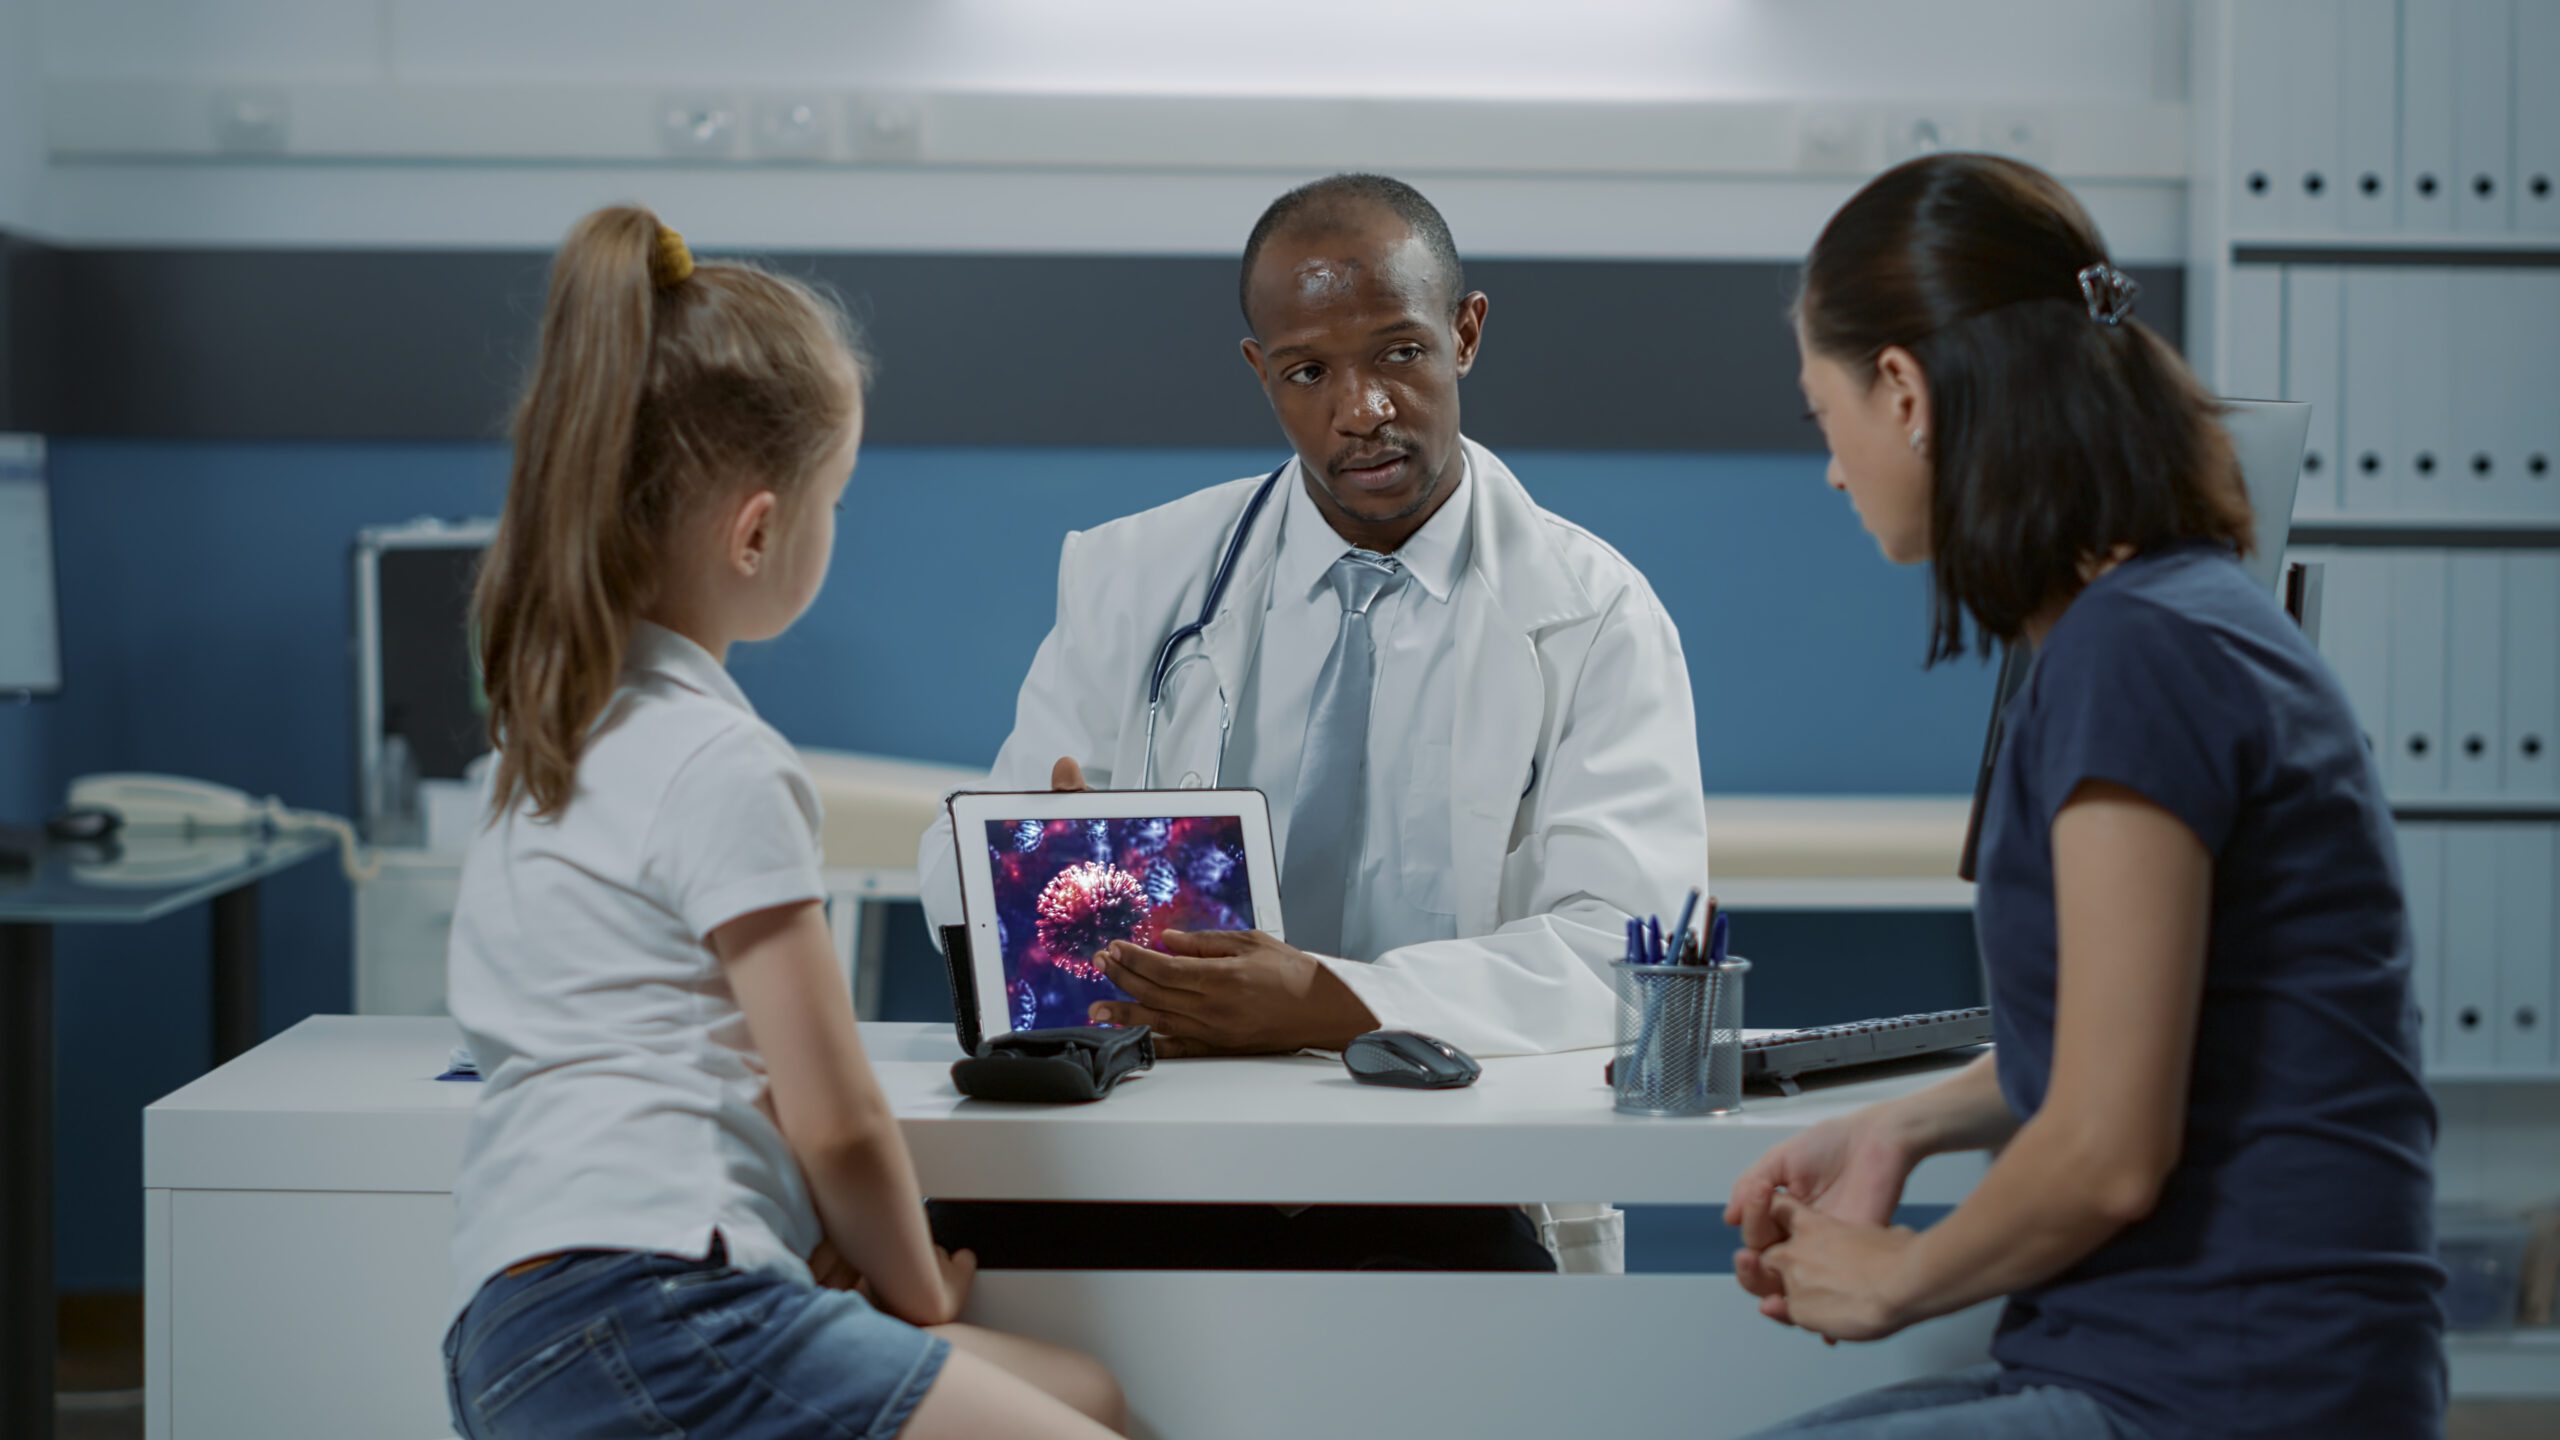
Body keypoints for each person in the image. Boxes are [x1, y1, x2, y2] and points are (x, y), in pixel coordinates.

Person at [1725, 153, 2444, 1439]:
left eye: (1817, 415)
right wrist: (1902, 1123)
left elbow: (2108, 1151)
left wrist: (1900, 1278)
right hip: (2170, 1356)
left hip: (2235, 1385)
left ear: (1902, 391)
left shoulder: (2137, 654)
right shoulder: (2153, 621)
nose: (1831, 470)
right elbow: (2144, 1034)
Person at [917, 173, 1709, 1273]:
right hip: (1154, 1148)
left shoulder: (1592, 615)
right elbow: (953, 873)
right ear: (1261, 373)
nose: (1360, 409)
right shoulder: (1133, 577)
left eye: (1398, 353)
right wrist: (1028, 880)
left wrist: (1332, 1004)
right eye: (1308, 372)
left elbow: (1629, 951)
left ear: (1465, 333)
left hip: (1445, 1166)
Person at [440, 205, 1127, 1439]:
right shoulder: (723, 758)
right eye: (837, 504)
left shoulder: (542, 742)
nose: (833, 532)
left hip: (517, 1322)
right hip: (662, 1307)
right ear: (761, 529)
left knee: (1092, 1398)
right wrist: (921, 1296)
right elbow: (838, 1117)